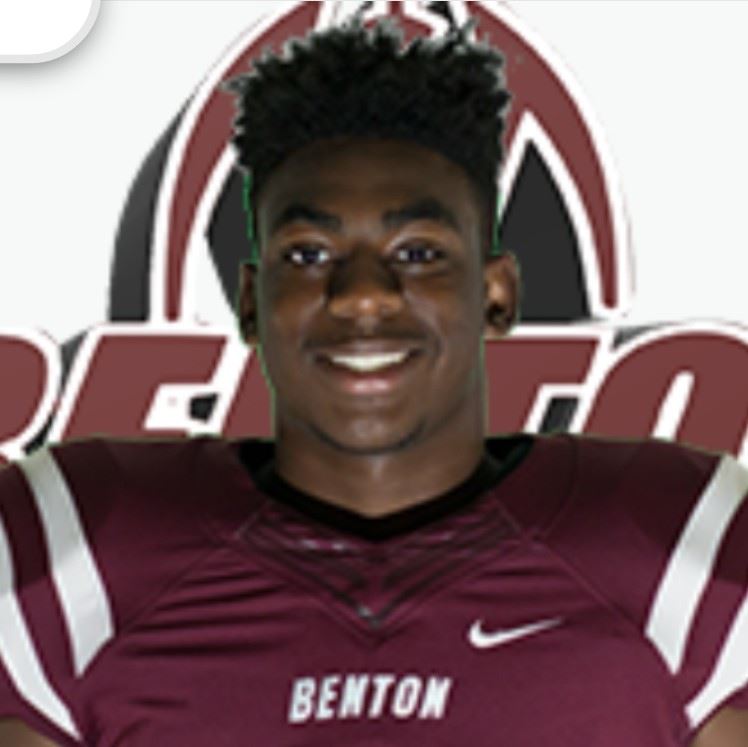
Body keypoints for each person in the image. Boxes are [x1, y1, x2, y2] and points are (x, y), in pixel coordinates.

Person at [1, 13, 747, 747]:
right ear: (251, 301)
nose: (362, 295)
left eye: (418, 252)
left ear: (497, 295)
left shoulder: (676, 563)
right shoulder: (80, 567)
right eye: (308, 254)